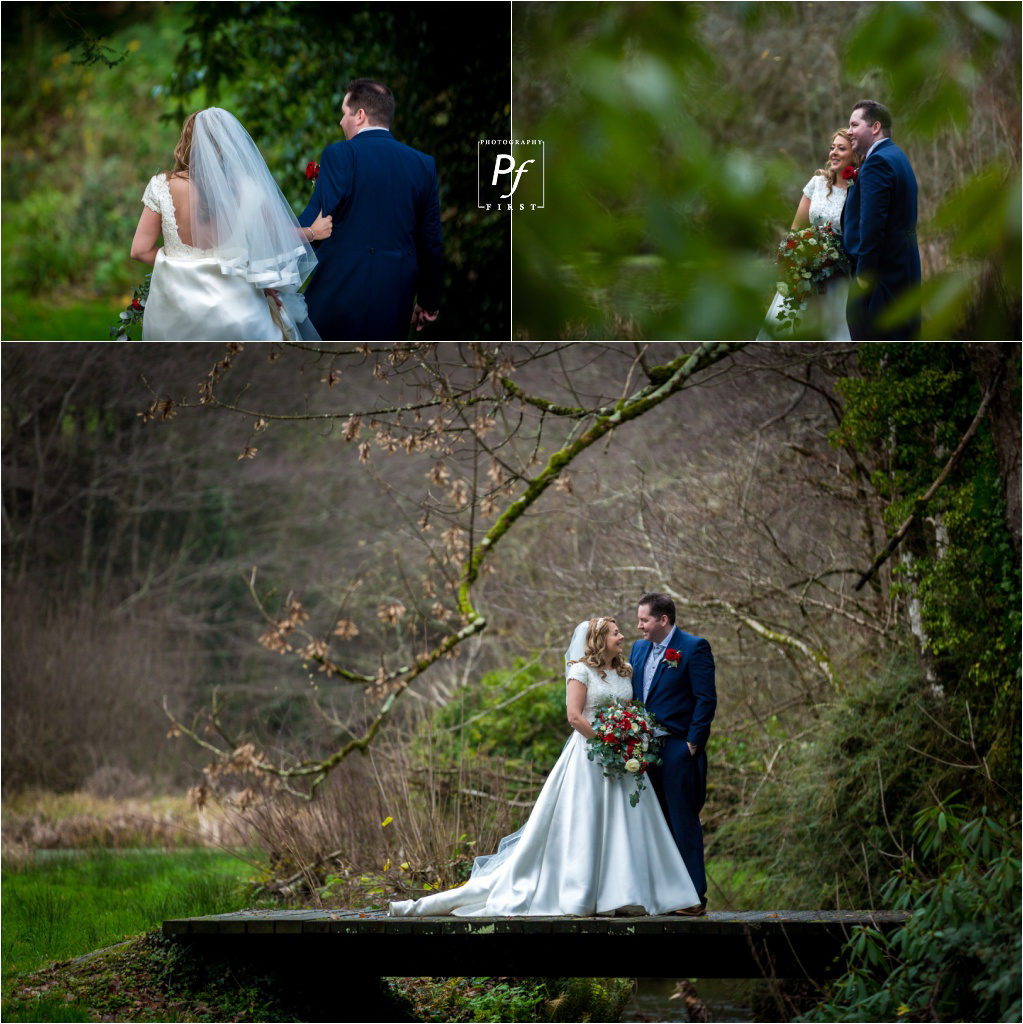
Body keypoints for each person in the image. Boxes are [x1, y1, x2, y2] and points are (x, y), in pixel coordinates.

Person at [389, 617, 701, 917]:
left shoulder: (626, 670)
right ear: (599, 640)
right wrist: (607, 740)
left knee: (629, 824)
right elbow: (575, 716)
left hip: (624, 758)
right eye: (616, 633)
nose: (622, 637)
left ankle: (629, 892)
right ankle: (583, 892)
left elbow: (630, 708)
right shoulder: (580, 671)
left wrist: (630, 735)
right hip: (591, 756)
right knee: (587, 823)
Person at [131, 108, 332, 341]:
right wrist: (312, 232)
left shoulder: (162, 185)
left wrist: (178, 266)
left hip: (173, 315)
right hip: (237, 312)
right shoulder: (248, 189)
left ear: (187, 141)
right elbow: (274, 233)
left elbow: (140, 250)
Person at [298, 79, 443, 341]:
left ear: (360, 115)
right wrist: (429, 300)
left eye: (344, 113)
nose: (341, 122)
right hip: (394, 302)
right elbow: (430, 242)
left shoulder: (339, 155)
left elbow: (315, 224)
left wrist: (278, 275)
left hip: (337, 296)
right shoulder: (423, 165)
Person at [629, 593, 716, 915]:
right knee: (655, 825)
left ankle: (693, 899)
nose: (639, 627)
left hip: (678, 748)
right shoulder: (638, 649)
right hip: (642, 752)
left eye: (644, 620)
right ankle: (664, 897)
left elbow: (706, 699)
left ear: (663, 620)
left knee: (683, 823)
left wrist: (692, 744)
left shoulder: (694, 648)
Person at [758, 129, 861, 340]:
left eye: (841, 148)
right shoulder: (817, 183)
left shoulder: (859, 191)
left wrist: (830, 263)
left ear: (855, 154)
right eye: (832, 147)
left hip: (837, 279)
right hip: (803, 273)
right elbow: (795, 230)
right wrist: (795, 260)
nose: (833, 152)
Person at [842, 99, 922, 340]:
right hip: (901, 275)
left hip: (880, 282)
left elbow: (872, 225)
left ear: (875, 127)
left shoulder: (878, 163)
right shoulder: (897, 156)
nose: (849, 131)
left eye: (854, 125)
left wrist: (864, 278)